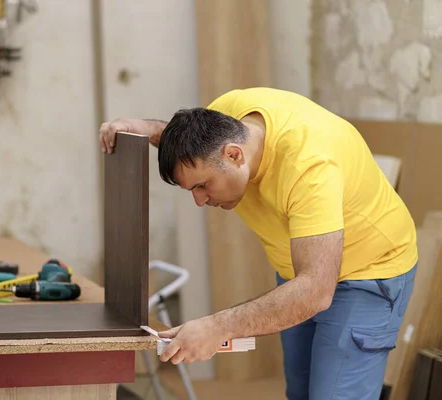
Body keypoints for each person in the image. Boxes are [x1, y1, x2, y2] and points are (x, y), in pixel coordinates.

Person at [99, 87, 418, 399]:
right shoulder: (227, 117)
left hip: (369, 270)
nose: (199, 200)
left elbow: (316, 291)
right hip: (302, 273)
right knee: (301, 391)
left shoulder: (309, 167)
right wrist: (147, 129)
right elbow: (193, 147)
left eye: (203, 186)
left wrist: (217, 328)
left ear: (235, 155)